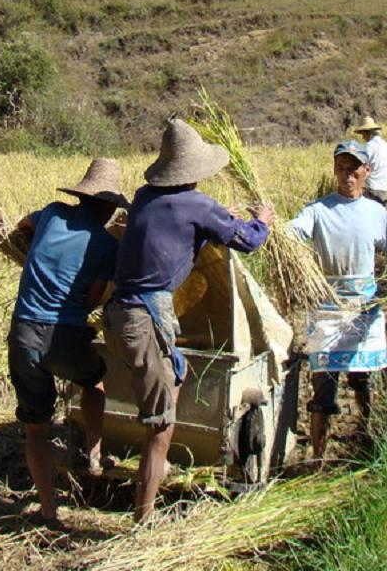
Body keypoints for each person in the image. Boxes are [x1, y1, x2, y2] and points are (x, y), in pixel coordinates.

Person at [105, 119, 274, 521]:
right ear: (195, 171)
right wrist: (262, 219)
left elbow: (179, 227)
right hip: (145, 316)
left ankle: (155, 467)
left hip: (116, 314)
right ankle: (143, 520)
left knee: (174, 376)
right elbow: (248, 240)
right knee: (159, 428)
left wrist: (217, 217)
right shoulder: (197, 205)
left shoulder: (145, 196)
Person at [7, 158, 129, 523]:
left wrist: (35, 253)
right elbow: (93, 298)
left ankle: (48, 509)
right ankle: (93, 453)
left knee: (35, 429)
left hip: (23, 331)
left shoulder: (53, 213)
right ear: (108, 207)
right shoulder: (108, 246)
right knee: (94, 382)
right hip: (65, 333)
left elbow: (21, 225)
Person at [290, 141, 387, 460]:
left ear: (367, 171)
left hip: (364, 308)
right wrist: (269, 229)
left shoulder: (376, 212)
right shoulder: (318, 211)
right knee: (323, 385)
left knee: (362, 380)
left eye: (354, 168)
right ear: (335, 170)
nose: (347, 175)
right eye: (341, 168)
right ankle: (317, 456)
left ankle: (364, 436)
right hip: (329, 310)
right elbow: (293, 231)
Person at [353, 116, 387, 215]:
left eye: (363, 133)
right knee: (385, 222)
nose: (363, 137)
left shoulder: (368, 147)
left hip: (371, 190)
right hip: (385, 189)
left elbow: (360, 167)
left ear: (368, 132)